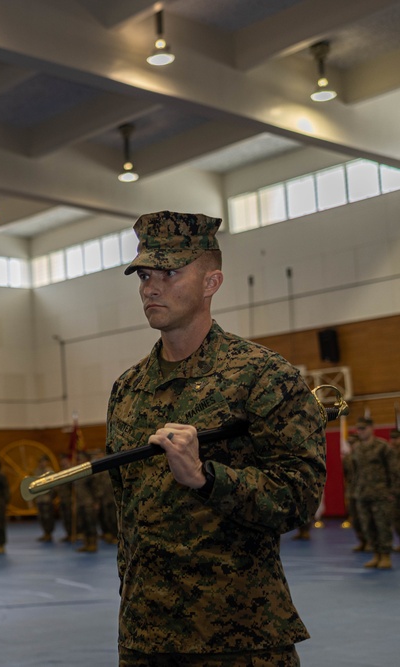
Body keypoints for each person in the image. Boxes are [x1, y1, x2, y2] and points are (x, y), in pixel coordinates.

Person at [106, 211, 326, 666]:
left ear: (212, 282)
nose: (151, 287)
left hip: (239, 640)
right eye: (145, 274)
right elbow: (128, 518)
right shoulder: (127, 390)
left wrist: (208, 479)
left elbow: (300, 498)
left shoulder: (263, 377)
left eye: (169, 272)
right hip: (146, 639)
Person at [350, 417, 399, 568]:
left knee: (382, 525)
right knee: (367, 526)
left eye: (364, 428)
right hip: (362, 494)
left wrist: (393, 492)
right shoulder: (357, 449)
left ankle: (385, 556)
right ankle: (376, 554)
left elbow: (395, 472)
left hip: (381, 494)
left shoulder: (383, 447)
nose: (361, 431)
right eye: (359, 429)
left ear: (371, 428)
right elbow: (355, 472)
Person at [32, 455, 56, 542]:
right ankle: (45, 533)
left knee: (48, 517)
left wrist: (51, 497)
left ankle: (49, 533)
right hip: (39, 498)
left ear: (47, 462)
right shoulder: (37, 471)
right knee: (41, 517)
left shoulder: (49, 472)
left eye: (43, 461)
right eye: (40, 462)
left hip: (47, 498)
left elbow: (53, 486)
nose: (42, 463)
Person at [57, 452, 75, 542]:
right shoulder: (61, 472)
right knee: (65, 518)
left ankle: (73, 534)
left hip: (69, 499)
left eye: (64, 460)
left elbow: (74, 487)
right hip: (63, 499)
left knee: (70, 517)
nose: (62, 462)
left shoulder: (71, 471)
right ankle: (68, 534)